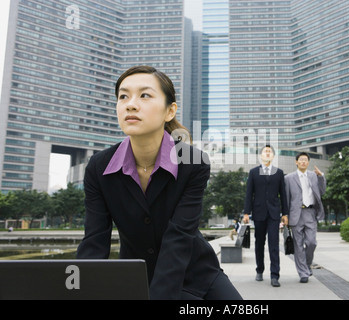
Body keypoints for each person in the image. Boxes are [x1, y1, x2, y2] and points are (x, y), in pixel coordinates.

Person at [77, 65, 242, 300]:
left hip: (195, 271)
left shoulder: (193, 163)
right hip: (135, 275)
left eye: (145, 95)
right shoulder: (98, 167)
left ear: (169, 111)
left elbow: (179, 237)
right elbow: (94, 241)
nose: (131, 104)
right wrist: (80, 290)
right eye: (123, 96)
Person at [243, 145, 288, 287]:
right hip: (259, 212)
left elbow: (283, 195)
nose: (267, 153)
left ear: (273, 156)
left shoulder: (279, 173)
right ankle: (259, 270)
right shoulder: (254, 172)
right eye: (265, 152)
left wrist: (285, 213)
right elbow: (249, 193)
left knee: (274, 244)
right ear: (261, 155)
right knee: (259, 243)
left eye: (270, 152)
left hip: (274, 213)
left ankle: (275, 275)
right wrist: (246, 213)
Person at [283, 152, 326, 283]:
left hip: (310, 213)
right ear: (296, 162)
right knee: (298, 245)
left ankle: (307, 265)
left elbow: (321, 192)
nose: (303, 162)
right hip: (295, 214)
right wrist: (285, 215)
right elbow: (286, 198)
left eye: (305, 160)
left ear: (308, 162)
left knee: (311, 242)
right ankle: (303, 273)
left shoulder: (313, 176)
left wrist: (321, 177)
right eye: (301, 160)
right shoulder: (289, 178)